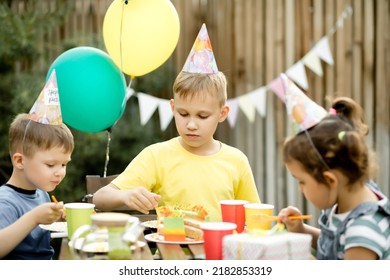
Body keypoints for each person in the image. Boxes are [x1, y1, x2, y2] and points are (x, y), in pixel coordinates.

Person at [93, 24, 260, 221]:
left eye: (202, 116)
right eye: (183, 113)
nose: (191, 124)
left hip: (222, 251)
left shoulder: (236, 161)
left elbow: (255, 217)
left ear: (222, 113)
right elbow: (99, 198)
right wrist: (125, 195)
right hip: (172, 250)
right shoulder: (157, 156)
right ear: (172, 108)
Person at [277, 74, 390, 260]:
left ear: (330, 179)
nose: (300, 189)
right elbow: (334, 244)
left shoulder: (364, 231)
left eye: (302, 181)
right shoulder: (346, 199)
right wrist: (301, 229)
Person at [0, 71, 74, 259]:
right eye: (51, 165)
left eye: (64, 164)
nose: (60, 173)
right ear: (19, 161)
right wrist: (34, 218)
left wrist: (56, 219)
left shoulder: (42, 195)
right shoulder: (5, 201)